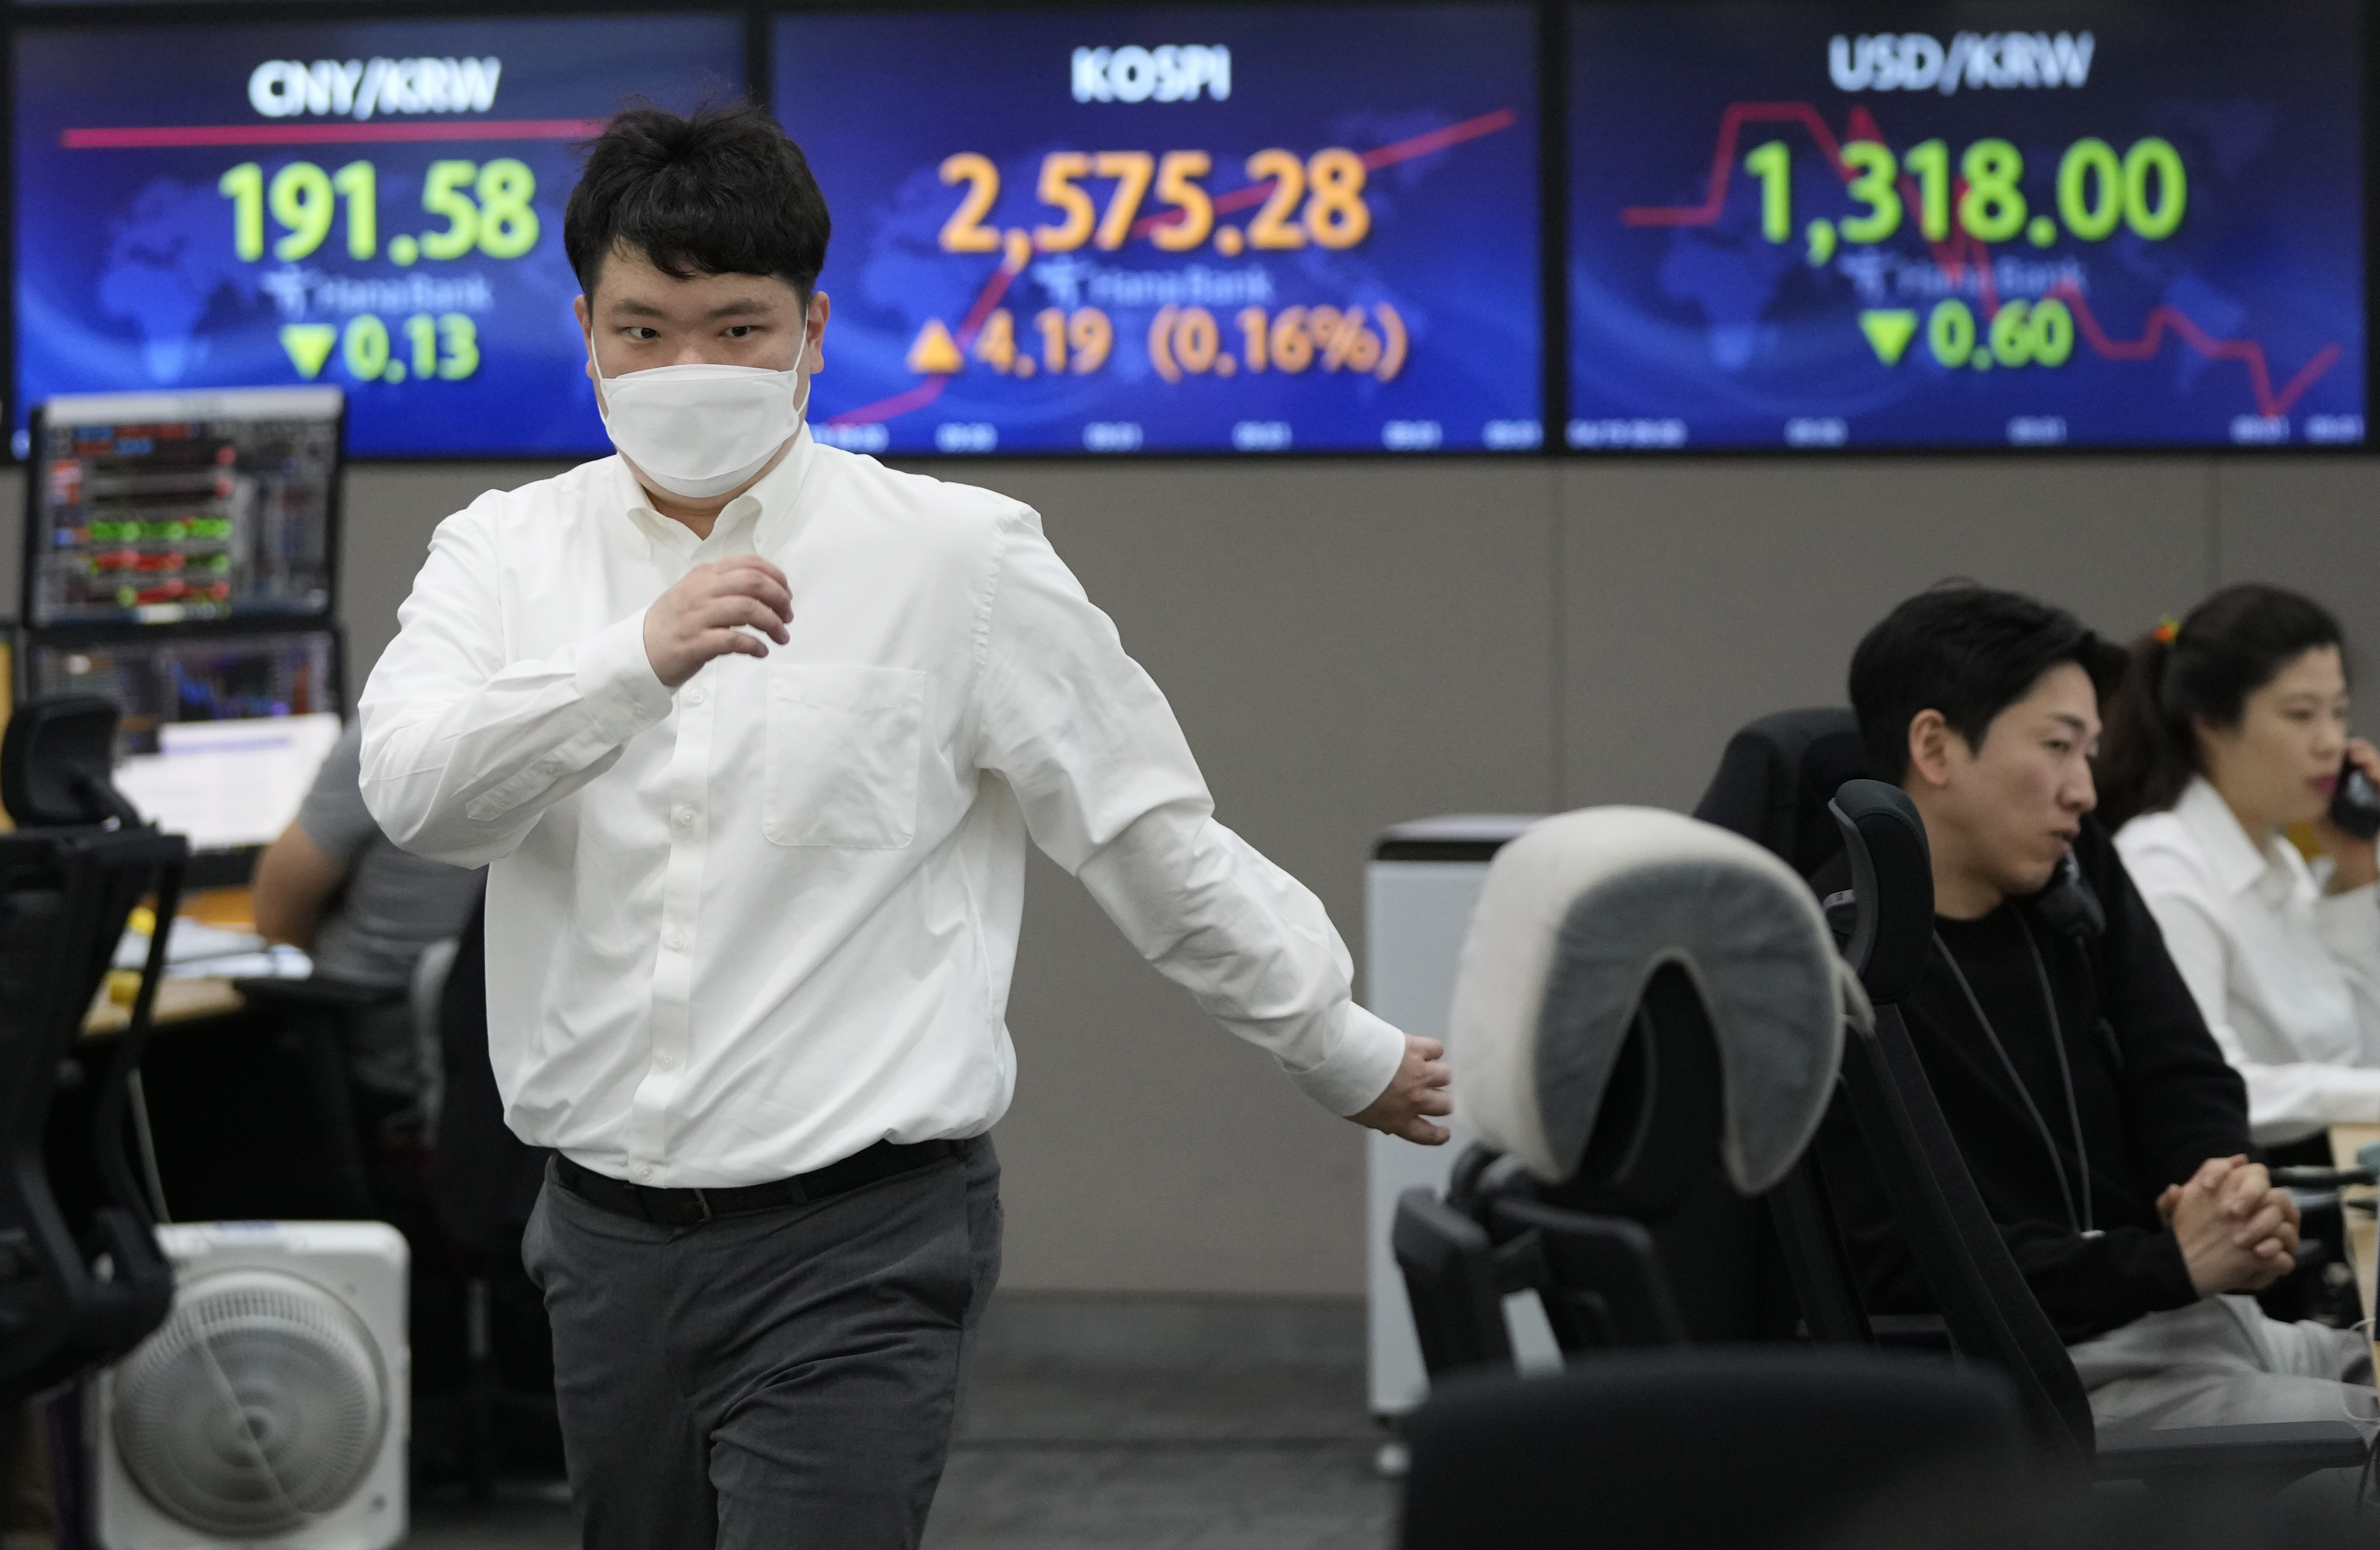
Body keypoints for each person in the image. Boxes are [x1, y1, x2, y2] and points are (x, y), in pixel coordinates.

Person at [356, 103, 1448, 1550]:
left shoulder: (955, 559)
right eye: (645, 329)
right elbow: (418, 796)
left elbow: (1140, 833)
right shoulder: (504, 552)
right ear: (587, 331)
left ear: (814, 327)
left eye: (736, 329)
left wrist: (1335, 1042)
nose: (690, 368)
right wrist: (635, 659)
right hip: (603, 1238)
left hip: (857, 1238)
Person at [1815, 584, 2372, 1433]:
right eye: (2057, 746)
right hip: (2052, 1381)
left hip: (2202, 1327)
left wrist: (2224, 1189)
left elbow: (2180, 1067)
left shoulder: (2074, 880)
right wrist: (2167, 1263)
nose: (2083, 789)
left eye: (2091, 750)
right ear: (1934, 745)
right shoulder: (1844, 967)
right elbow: (1903, 1270)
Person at [2098, 585, 2380, 1148]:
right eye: (2301, 714)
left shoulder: (2284, 860)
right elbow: (2209, 1090)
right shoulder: (2163, 865)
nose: (2331, 742)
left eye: (2340, 713)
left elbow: (2362, 1053)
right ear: (2209, 721)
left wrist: (2354, 878)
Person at [253, 719, 484, 1114]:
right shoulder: (579, 724)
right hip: (501, 1055)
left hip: (385, 1047)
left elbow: (275, 917)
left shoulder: (394, 730)